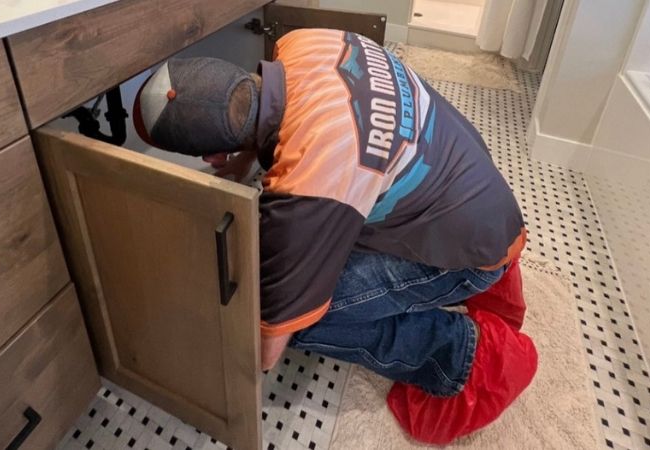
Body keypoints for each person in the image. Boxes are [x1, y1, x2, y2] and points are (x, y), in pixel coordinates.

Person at [133, 28, 537, 444]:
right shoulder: (302, 42)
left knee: (301, 321)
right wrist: (244, 165)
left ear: (212, 156)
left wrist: (231, 342)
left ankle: (458, 355)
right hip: (476, 195)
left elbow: (270, 345)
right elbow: (268, 110)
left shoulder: (308, 188)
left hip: (470, 254)